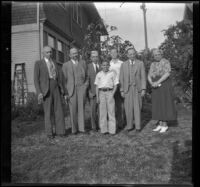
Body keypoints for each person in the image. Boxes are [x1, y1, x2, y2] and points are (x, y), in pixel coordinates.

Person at [34, 46, 66, 139]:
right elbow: (36, 80)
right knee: (48, 112)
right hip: (46, 89)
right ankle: (49, 133)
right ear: (43, 53)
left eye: (51, 52)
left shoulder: (54, 62)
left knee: (58, 110)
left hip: (56, 87)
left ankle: (60, 132)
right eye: (47, 52)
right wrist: (39, 92)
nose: (49, 54)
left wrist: (62, 89)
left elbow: (60, 77)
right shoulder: (38, 63)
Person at [148, 48, 177, 133]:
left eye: (158, 54)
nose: (157, 56)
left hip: (164, 84)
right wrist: (151, 83)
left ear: (161, 54)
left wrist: (158, 82)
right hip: (155, 85)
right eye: (155, 55)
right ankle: (160, 124)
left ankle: (165, 125)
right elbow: (149, 75)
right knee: (158, 104)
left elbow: (167, 73)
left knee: (164, 103)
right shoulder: (152, 64)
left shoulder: (166, 62)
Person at [62, 47, 89, 134]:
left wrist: (85, 86)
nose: (75, 55)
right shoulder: (65, 65)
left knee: (81, 108)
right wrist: (65, 92)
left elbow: (87, 76)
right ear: (70, 55)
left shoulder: (83, 63)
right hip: (71, 90)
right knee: (72, 110)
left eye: (76, 53)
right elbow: (64, 80)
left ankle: (82, 128)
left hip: (81, 89)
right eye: (73, 53)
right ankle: (74, 129)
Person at [119, 46, 146, 132]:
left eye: (133, 54)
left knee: (137, 107)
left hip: (137, 89)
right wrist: (122, 90)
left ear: (135, 54)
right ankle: (129, 126)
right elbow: (121, 78)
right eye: (130, 54)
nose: (132, 55)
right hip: (127, 89)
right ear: (127, 55)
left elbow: (143, 77)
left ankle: (138, 126)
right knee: (128, 108)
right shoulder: (123, 64)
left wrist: (143, 89)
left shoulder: (140, 63)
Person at [94, 60, 118, 135]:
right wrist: (97, 97)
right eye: (103, 65)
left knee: (111, 111)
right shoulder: (99, 74)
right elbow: (97, 86)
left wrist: (112, 94)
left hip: (109, 92)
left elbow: (116, 85)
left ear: (109, 66)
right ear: (101, 66)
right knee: (102, 112)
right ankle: (104, 130)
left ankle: (112, 130)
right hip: (101, 93)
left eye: (107, 65)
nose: (105, 66)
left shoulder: (112, 73)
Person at [109, 47, 125, 130]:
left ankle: (120, 123)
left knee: (120, 106)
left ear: (117, 53)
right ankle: (113, 123)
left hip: (120, 85)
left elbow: (124, 75)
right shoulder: (109, 63)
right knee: (112, 106)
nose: (113, 54)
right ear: (110, 54)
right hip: (111, 86)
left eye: (115, 52)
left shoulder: (121, 63)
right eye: (112, 53)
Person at [87, 50, 100, 132]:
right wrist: (88, 92)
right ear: (91, 58)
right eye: (93, 57)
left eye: (96, 56)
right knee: (93, 111)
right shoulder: (88, 67)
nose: (95, 58)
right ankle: (94, 127)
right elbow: (86, 80)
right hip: (92, 92)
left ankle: (100, 125)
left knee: (101, 110)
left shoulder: (101, 66)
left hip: (101, 92)